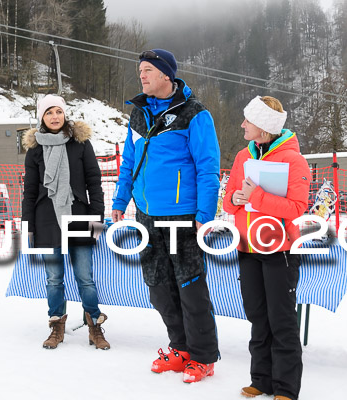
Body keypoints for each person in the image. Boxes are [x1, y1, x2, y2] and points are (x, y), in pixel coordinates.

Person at [111, 49, 221, 383]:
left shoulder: (194, 114)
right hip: (146, 215)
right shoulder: (138, 114)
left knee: (189, 286)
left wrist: (205, 212)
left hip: (183, 217)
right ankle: (181, 348)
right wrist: (120, 200)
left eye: (147, 70)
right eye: (139, 71)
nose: (141, 76)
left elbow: (208, 168)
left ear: (165, 75)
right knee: (158, 287)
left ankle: (203, 356)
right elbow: (129, 162)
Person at [223, 96, 310, 400]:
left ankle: (286, 388)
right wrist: (234, 200)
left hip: (279, 251)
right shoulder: (240, 158)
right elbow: (229, 198)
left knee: (281, 320)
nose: (243, 125)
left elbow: (297, 208)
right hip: (247, 248)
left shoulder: (293, 160)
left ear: (263, 127)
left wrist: (256, 197)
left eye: (248, 121)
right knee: (258, 316)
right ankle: (261, 379)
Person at [21, 94, 110, 350]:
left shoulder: (80, 143)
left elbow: (94, 181)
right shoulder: (35, 148)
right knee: (53, 278)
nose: (54, 117)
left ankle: (94, 325)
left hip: (79, 216)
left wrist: (97, 218)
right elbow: (29, 190)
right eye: (49, 113)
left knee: (85, 277)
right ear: (42, 117)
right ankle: (56, 326)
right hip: (46, 219)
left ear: (64, 114)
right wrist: (28, 224)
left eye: (58, 112)